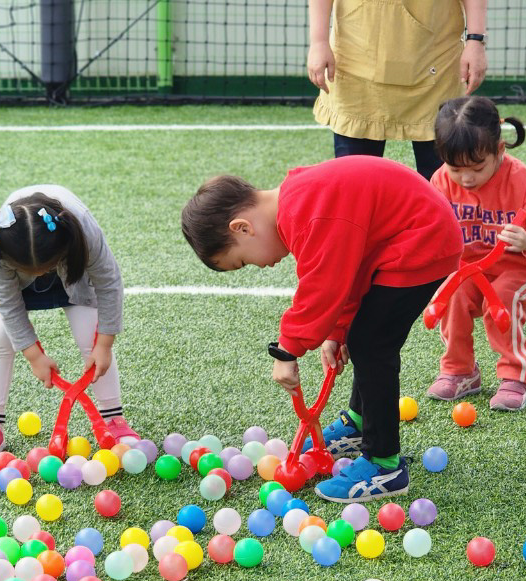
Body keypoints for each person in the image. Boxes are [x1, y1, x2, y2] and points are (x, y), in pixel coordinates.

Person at [181, 156, 462, 501]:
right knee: (362, 335)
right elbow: (348, 269)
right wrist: (337, 331)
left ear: (242, 228)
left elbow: (323, 286)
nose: (259, 266)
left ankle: (384, 464)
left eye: (241, 261)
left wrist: (287, 350)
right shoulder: (298, 204)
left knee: (372, 343)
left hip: (423, 239)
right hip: (406, 239)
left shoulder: (306, 211)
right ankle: (360, 423)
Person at [0, 185, 139, 455]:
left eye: (46, 268)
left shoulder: (82, 232)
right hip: (17, 277)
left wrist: (104, 345)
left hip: (72, 271)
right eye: (35, 271)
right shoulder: (2, 243)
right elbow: (8, 305)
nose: (41, 274)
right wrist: (34, 356)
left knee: (90, 334)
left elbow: (109, 284)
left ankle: (113, 419)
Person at [426, 97, 526, 411]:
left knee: (504, 297)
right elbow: (426, 224)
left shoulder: (520, 179)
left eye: (477, 168)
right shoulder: (440, 181)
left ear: (499, 150)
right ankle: (459, 371)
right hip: (472, 269)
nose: (466, 179)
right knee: (451, 295)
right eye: (455, 169)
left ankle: (515, 376)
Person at [307, 0, 488, 180]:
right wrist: (318, 42)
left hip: (435, 60)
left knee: (441, 184)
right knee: (356, 183)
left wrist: (476, 41)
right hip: (357, 59)